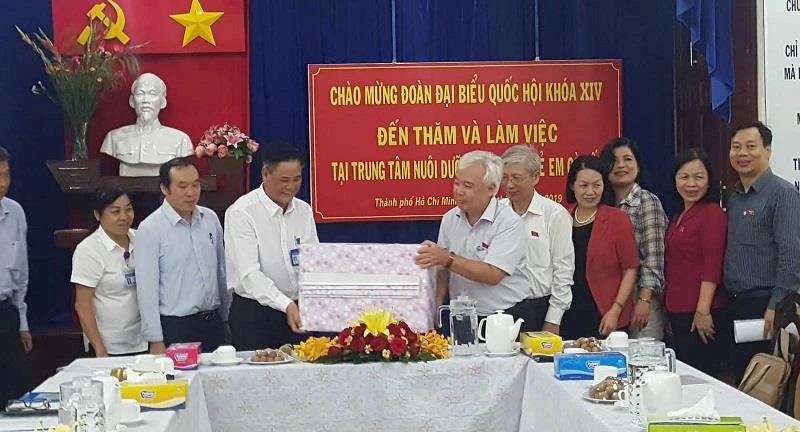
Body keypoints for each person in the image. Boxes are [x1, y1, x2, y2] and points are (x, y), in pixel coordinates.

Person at [415, 150, 537, 332]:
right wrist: (435, 308)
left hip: (503, 317)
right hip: (461, 317)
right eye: (456, 183)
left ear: (491, 189)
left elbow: (493, 274)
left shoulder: (509, 223)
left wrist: (447, 258)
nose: (459, 191)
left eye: (467, 186)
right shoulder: (450, 218)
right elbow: (443, 269)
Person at [725, 121, 800, 381]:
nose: (742, 153)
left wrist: (776, 305)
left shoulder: (783, 194)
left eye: (750, 146)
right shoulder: (735, 197)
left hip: (765, 305)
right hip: (735, 303)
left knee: (764, 383)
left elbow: (791, 255)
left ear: (768, 150)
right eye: (736, 147)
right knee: (740, 378)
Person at [225, 144, 319, 350]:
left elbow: (313, 261)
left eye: (297, 179)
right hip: (257, 314)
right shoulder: (242, 212)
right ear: (265, 174)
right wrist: (285, 304)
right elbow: (249, 274)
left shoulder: (303, 210)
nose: (291, 187)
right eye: (284, 180)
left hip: (299, 311)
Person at [135, 157, 229, 354]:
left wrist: (226, 317)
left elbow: (221, 272)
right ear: (164, 188)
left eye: (195, 185)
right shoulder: (150, 228)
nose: (191, 193)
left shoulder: (210, 218)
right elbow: (147, 289)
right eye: (182, 186)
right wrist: (155, 339)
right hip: (177, 326)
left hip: (212, 322)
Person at [664, 148, 729, 377]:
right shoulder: (678, 216)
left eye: (699, 177)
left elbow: (712, 264)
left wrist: (702, 311)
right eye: (684, 177)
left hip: (700, 314)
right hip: (678, 311)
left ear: (709, 181)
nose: (691, 184)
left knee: (702, 379)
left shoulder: (712, 214)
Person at [560, 155, 639, 340]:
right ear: (572, 185)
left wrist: (616, 309)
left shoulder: (617, 219)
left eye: (597, 185)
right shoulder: (562, 218)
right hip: (569, 311)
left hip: (606, 313)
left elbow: (630, 268)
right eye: (583, 185)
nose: (591, 192)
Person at [499, 145, 574, 334]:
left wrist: (553, 319)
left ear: (535, 177)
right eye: (504, 178)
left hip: (539, 308)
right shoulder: (497, 212)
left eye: (516, 178)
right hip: (501, 308)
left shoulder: (554, 214)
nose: (509, 185)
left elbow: (563, 270)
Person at [600, 137, 667, 340]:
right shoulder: (603, 206)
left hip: (641, 296)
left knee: (644, 354)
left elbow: (653, 258)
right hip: (610, 296)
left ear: (638, 167)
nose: (621, 165)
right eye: (614, 160)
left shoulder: (647, 201)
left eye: (628, 159)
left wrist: (644, 300)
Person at [71, 188, 147, 357]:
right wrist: (99, 349)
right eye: (115, 212)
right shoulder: (89, 250)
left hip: (144, 340)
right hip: (110, 346)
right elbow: (82, 305)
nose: (124, 217)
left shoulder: (142, 238)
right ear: (98, 215)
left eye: (128, 209)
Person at [100, 73, 193, 177]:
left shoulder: (180, 140)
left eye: (152, 94)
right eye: (140, 94)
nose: (145, 100)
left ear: (163, 102)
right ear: (132, 101)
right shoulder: (113, 138)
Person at [0, 145, 31, 409]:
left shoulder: (15, 212)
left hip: (5, 313)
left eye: (6, 174)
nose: (3, 183)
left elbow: (21, 271)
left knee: (9, 393)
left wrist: (22, 322)